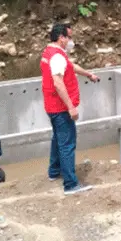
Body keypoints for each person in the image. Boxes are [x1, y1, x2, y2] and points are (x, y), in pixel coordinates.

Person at [40, 23, 100, 195]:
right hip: (61, 108)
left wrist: (88, 74)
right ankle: (71, 185)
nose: (71, 41)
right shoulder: (57, 57)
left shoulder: (50, 53)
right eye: (69, 37)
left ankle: (54, 171)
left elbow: (71, 66)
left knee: (58, 139)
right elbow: (58, 83)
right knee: (67, 144)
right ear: (61, 38)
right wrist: (71, 107)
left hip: (52, 106)